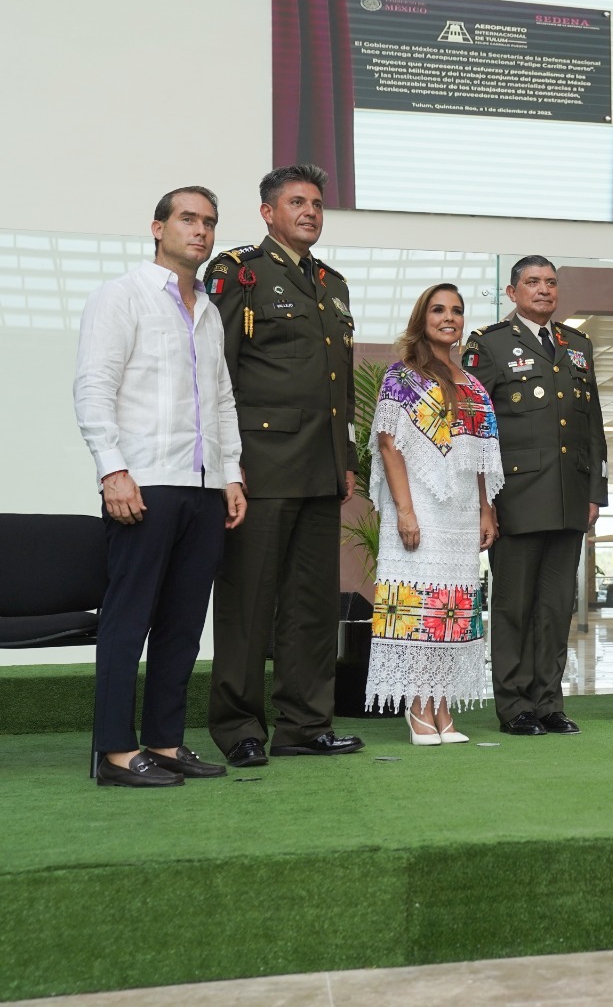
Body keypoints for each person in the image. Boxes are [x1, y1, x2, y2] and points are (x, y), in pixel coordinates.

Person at [73, 186, 247, 787]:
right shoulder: (120, 297)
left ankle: (166, 744)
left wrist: (232, 474)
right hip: (143, 481)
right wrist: (111, 468)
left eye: (210, 222)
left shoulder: (210, 309)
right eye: (188, 219)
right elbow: (94, 388)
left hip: (202, 488)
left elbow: (222, 400)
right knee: (128, 620)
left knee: (181, 622)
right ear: (157, 227)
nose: (200, 231)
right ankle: (116, 754)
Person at [206, 163, 364, 767]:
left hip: (323, 468)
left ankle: (305, 724)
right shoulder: (238, 272)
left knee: (312, 603)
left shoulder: (333, 283)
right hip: (261, 465)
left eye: (318, 204)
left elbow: (339, 385)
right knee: (249, 604)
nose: (310, 212)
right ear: (268, 212)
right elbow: (218, 372)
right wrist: (227, 465)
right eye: (297, 202)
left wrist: (345, 459)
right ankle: (239, 726)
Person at [464, 256, 607, 737]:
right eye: (532, 282)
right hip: (517, 498)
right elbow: (476, 428)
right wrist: (482, 501)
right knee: (513, 607)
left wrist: (594, 494)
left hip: (569, 498)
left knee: (555, 607)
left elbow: (591, 430)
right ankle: (515, 706)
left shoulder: (578, 344)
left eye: (550, 282)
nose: (543, 290)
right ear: (512, 292)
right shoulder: (490, 345)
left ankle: (548, 703)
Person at [365, 284, 503, 744]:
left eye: (457, 311)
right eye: (439, 310)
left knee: (451, 607)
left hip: (462, 509)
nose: (449, 318)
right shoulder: (401, 377)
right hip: (419, 503)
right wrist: (404, 511)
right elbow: (389, 444)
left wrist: (486, 509)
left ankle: (441, 705)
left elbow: (481, 458)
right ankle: (417, 706)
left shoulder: (474, 384)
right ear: (422, 318)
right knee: (419, 603)